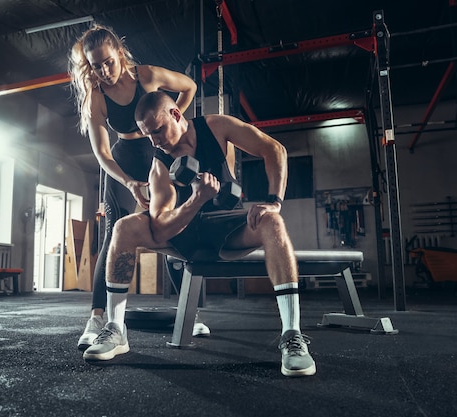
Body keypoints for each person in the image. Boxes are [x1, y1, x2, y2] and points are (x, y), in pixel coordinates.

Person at [83, 91, 316, 377]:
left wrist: (273, 201)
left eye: (158, 130)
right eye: (148, 135)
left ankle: (292, 336)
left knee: (273, 222)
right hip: (181, 234)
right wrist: (197, 199)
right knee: (124, 227)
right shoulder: (159, 166)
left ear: (176, 115)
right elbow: (160, 227)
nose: (155, 141)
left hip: (225, 229)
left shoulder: (217, 127)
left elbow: (275, 150)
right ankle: (116, 329)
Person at [68, 25, 210, 350]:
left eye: (107, 62)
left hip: (156, 153)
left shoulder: (146, 76)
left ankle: (193, 313)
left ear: (118, 52)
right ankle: (97, 318)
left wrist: (172, 121)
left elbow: (189, 87)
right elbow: (102, 153)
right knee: (114, 233)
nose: (104, 71)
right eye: (96, 66)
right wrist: (128, 181)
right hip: (122, 162)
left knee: (170, 228)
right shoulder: (97, 98)